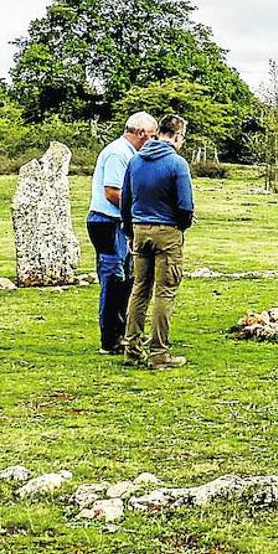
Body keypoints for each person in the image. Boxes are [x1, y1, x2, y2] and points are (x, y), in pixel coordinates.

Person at [120, 114, 194, 370]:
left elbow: (125, 200)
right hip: (167, 231)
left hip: (139, 230)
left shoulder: (135, 160)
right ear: (176, 135)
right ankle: (159, 352)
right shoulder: (177, 163)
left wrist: (130, 231)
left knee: (139, 289)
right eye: (182, 137)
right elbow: (185, 205)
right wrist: (181, 227)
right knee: (165, 291)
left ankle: (131, 348)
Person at [87, 112, 158, 354]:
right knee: (114, 278)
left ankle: (124, 333)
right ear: (141, 134)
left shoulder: (130, 153)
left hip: (118, 222)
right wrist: (139, 209)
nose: (153, 140)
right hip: (107, 221)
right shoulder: (119, 153)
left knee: (127, 278)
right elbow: (112, 192)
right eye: (152, 135)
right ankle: (110, 339)